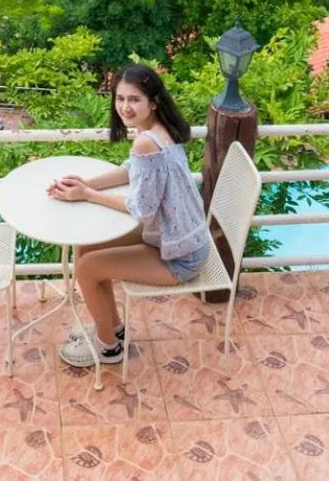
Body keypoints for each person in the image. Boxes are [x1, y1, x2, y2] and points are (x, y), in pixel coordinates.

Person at [47, 63, 212, 367]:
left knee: (87, 269)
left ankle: (109, 348)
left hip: (180, 254)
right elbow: (131, 169)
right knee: (87, 247)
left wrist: (87, 195)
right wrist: (86, 183)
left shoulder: (146, 142)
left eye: (134, 99)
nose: (125, 107)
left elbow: (141, 209)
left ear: (153, 101)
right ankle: (112, 328)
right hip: (176, 233)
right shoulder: (160, 131)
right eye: (120, 98)